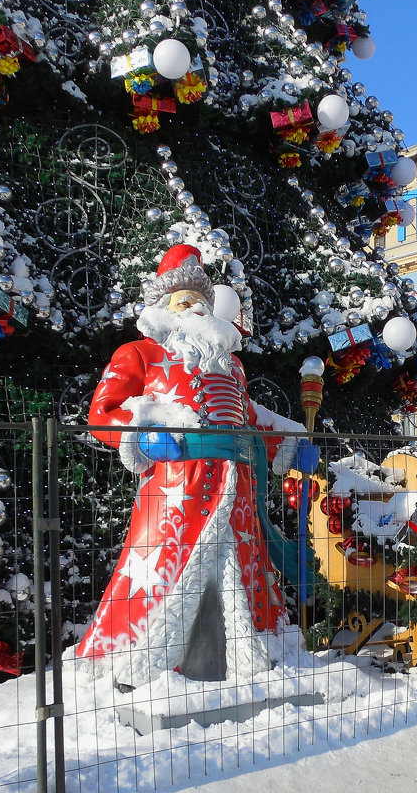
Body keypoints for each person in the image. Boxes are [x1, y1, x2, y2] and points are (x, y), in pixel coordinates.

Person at [76, 244, 307, 690]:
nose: (195, 308)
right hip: (175, 487)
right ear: (164, 308)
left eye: (200, 301)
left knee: (241, 566)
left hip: (235, 487)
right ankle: (139, 662)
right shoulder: (139, 354)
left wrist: (291, 442)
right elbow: (103, 411)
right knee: (164, 567)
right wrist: (141, 434)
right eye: (183, 301)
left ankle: (251, 655)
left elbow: (250, 416)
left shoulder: (231, 364)